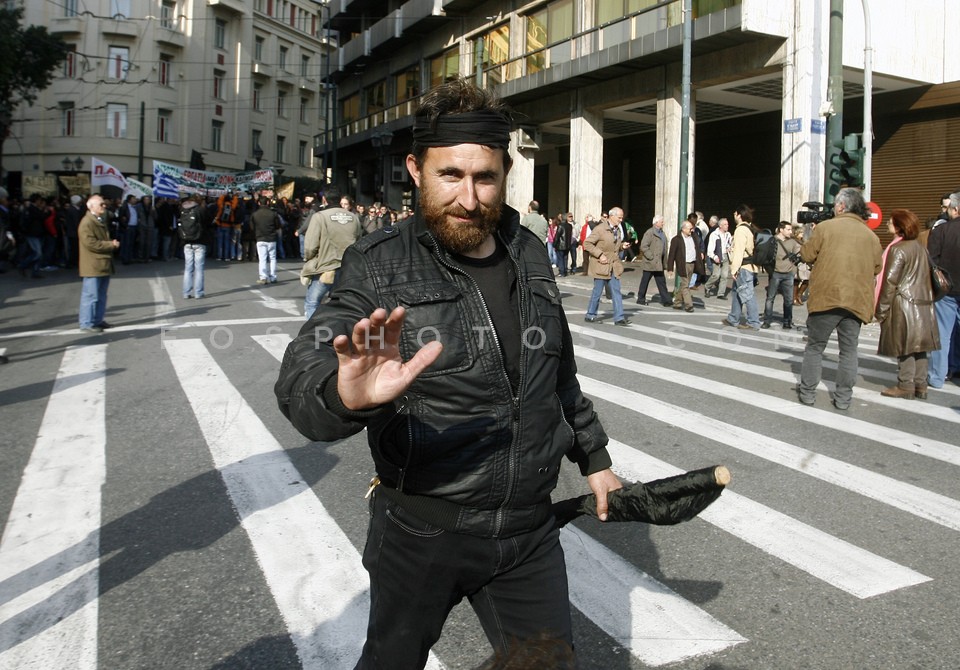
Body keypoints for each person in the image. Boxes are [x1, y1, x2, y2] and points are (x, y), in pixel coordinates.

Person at [275, 77, 622, 670]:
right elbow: (299, 380)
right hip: (422, 530)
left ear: (504, 173)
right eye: (450, 176)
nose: (469, 197)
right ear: (415, 169)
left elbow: (557, 369)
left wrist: (595, 458)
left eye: (484, 178)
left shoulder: (530, 250)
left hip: (526, 532)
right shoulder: (376, 263)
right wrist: (343, 395)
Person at [797, 188, 882, 409]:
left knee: (815, 347)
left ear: (842, 206)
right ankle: (843, 399)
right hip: (856, 301)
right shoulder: (871, 236)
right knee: (849, 351)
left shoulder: (825, 228)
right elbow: (877, 267)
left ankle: (807, 393)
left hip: (827, 297)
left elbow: (806, 255)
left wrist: (810, 235)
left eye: (835, 205)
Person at [875, 209, 940, 399]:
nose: (887, 224)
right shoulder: (921, 247)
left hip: (904, 304)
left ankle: (905, 385)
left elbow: (890, 283)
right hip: (923, 302)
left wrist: (881, 309)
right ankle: (921, 385)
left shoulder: (898, 249)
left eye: (891, 221)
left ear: (899, 227)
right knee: (920, 347)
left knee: (904, 345)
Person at [300, 186, 362, 319]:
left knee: (312, 303)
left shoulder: (319, 216)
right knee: (340, 305)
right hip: (347, 269)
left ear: (324, 199)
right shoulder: (353, 217)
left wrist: (309, 259)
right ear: (340, 200)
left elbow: (310, 246)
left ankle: (313, 335)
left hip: (326, 267)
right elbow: (359, 241)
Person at [927, 191, 960, 388]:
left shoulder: (941, 231)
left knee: (942, 334)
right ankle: (956, 366)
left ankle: (937, 377)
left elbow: (932, 261)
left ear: (955, 209)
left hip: (946, 290)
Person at [78, 194, 120, 333]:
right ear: (91, 207)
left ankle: (97, 320)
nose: (104, 206)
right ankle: (86, 323)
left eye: (103, 204)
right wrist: (111, 245)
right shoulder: (87, 222)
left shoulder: (98, 220)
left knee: (101, 295)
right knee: (91, 296)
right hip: (93, 264)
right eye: (101, 204)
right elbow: (91, 244)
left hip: (101, 264)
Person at [584, 206, 632, 325]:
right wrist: (600, 255)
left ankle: (619, 318)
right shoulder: (600, 229)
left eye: (622, 218)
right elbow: (587, 243)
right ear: (612, 216)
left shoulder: (618, 230)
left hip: (613, 265)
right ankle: (590, 314)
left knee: (616, 291)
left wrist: (622, 247)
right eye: (619, 217)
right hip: (601, 264)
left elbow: (614, 246)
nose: (621, 220)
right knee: (598, 291)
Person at [721, 204, 762, 330]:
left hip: (743, 268)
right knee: (737, 292)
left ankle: (753, 322)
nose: (734, 216)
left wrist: (734, 269)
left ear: (739, 215)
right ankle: (733, 318)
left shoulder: (740, 230)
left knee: (747, 295)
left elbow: (739, 251)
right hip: (750, 266)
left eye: (735, 214)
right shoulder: (749, 228)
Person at [762, 221, 801, 329]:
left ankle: (787, 321)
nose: (790, 231)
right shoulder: (772, 241)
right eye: (788, 229)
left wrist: (793, 269)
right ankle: (767, 320)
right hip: (775, 273)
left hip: (788, 274)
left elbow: (800, 253)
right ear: (781, 230)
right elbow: (766, 256)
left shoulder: (793, 241)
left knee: (788, 299)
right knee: (770, 298)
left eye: (791, 229)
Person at [635, 215, 673, 307]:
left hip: (658, 262)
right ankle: (641, 298)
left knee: (661, 282)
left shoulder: (662, 233)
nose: (663, 223)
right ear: (656, 223)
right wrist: (650, 256)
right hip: (650, 262)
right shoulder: (650, 232)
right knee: (645, 281)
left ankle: (666, 300)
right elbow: (644, 246)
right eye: (661, 221)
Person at [667, 219, 704, 312]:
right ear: (683, 229)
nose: (691, 230)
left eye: (692, 228)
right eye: (689, 229)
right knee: (685, 285)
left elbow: (697, 249)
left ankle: (677, 302)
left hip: (692, 263)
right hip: (682, 265)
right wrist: (670, 268)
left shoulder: (694, 237)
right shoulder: (676, 239)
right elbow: (671, 255)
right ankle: (689, 305)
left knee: (684, 285)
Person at [179, 195, 208, 299]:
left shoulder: (183, 210)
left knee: (188, 268)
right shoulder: (200, 210)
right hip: (199, 241)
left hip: (186, 241)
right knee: (199, 268)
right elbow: (206, 223)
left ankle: (186, 292)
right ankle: (198, 292)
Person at [252, 195, 281, 284]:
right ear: (268, 202)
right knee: (272, 258)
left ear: (259, 203)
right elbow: (278, 225)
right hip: (271, 238)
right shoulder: (273, 214)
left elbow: (252, 227)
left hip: (260, 238)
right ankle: (273, 277)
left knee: (262, 259)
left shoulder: (255, 214)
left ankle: (263, 277)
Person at [703, 217, 732, 298]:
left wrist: (729, 247)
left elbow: (730, 244)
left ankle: (721, 293)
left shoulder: (728, 234)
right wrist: (714, 257)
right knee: (716, 275)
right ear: (720, 226)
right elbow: (710, 249)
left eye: (727, 224)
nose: (727, 226)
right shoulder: (714, 235)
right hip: (717, 256)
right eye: (725, 224)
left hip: (725, 256)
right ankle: (707, 286)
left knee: (725, 276)